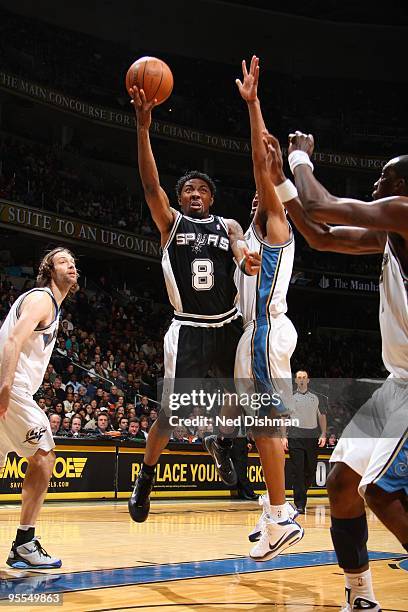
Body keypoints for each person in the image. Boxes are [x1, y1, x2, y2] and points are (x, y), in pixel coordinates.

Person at [263, 129, 408, 611]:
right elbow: (319, 234)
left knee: (380, 493)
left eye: (384, 179)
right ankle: (361, 597)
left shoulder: (406, 214)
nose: (374, 188)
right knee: (341, 481)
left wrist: (301, 157)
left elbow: (322, 205)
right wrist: (283, 181)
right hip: (396, 384)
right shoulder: (389, 233)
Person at [127, 83, 261, 523]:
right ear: (181, 198)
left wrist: (248, 259)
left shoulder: (229, 224)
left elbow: (242, 250)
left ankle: (222, 441)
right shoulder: (170, 223)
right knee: (170, 416)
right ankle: (146, 476)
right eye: (189, 190)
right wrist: (144, 128)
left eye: (202, 189)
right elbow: (150, 183)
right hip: (187, 328)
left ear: (213, 198)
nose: (196, 194)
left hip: (227, 324)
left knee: (244, 399)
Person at [232, 56, 303, 561]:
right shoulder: (253, 233)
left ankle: (280, 516)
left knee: (265, 423)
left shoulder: (278, 223)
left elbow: (260, 166)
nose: (256, 199)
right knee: (263, 425)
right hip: (254, 333)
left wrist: (255, 106)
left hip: (265, 332)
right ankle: (275, 510)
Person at [0, 247, 78, 569]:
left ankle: (24, 544)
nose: (71, 265)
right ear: (48, 270)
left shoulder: (52, 307)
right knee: (45, 457)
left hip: (13, 387)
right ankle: (25, 542)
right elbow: (12, 341)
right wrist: (5, 387)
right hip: (11, 387)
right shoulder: (41, 299)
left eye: (73, 262)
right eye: (63, 261)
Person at [284, 370, 327, 514]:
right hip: (295, 434)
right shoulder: (289, 397)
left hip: (312, 435)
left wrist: (323, 433)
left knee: (310, 470)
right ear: (295, 381)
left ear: (308, 380)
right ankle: (300, 503)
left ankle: (302, 493)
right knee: (298, 470)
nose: (301, 380)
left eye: (304, 377)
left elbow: (321, 416)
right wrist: (284, 436)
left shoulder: (316, 397)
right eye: (299, 378)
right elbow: (284, 418)